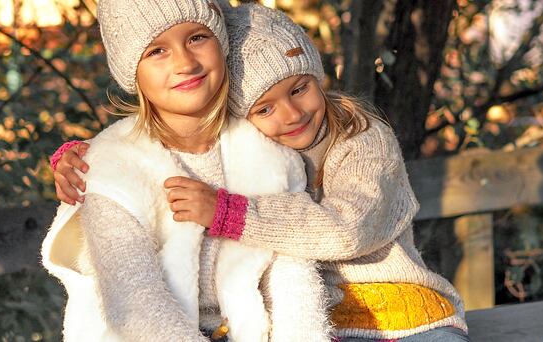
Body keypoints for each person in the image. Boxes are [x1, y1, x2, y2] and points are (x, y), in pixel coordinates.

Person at [51, 3, 470, 341]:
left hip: (400, 313)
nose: (289, 115)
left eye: (299, 89)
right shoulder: (250, 138)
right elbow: (147, 156)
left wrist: (229, 213)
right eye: (264, 108)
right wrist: (89, 158)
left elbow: (348, 229)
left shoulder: (358, 138)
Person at [40, 1, 329, 341]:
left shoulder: (269, 152)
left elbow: (292, 276)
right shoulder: (112, 167)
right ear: (131, 71)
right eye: (157, 51)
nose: (185, 63)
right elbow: (135, 302)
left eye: (197, 37)